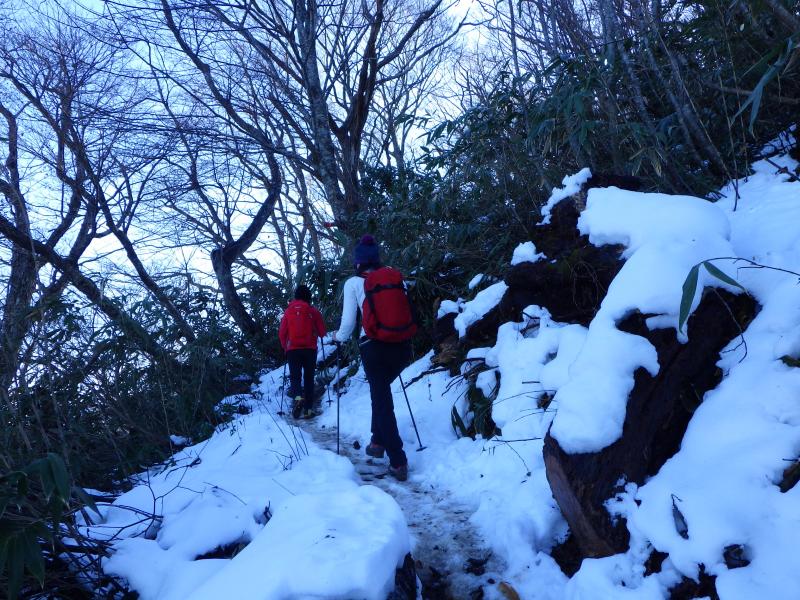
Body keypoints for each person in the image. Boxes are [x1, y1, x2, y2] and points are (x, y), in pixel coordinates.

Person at [331, 235, 415, 481]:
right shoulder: (395, 279)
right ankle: (377, 442)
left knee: (382, 401)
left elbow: (348, 324)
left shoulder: (354, 283)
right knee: (381, 395)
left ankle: (398, 461)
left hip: (374, 347)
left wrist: (338, 337)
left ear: (358, 262)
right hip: (402, 346)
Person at [279, 285, 327, 419]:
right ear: (308, 296)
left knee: (295, 377)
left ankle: (298, 398)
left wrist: (285, 347)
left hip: (293, 350)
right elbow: (322, 332)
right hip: (309, 349)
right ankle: (308, 411)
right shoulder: (313, 311)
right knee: (308, 378)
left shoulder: (288, 312)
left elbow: (282, 332)